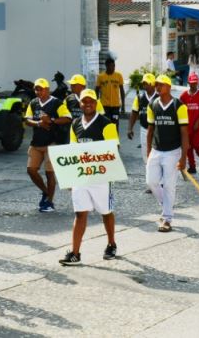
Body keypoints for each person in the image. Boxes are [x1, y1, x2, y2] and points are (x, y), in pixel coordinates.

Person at [60, 89, 118, 266]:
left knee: (106, 211)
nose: (88, 104)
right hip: (81, 176)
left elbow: (113, 150)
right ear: (80, 104)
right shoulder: (75, 124)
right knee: (80, 213)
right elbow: (73, 151)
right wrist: (70, 177)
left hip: (100, 175)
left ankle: (111, 243)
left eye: (91, 101)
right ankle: (75, 253)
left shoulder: (106, 124)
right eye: (84, 101)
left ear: (96, 102)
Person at [145, 75, 189, 233]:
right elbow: (150, 130)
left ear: (169, 87)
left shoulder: (179, 106)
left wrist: (183, 158)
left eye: (161, 84)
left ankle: (167, 218)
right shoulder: (153, 104)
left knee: (169, 185)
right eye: (156, 84)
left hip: (173, 151)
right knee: (151, 181)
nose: (157, 87)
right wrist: (148, 152)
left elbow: (185, 133)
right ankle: (166, 206)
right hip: (156, 150)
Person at [24, 78, 69, 213]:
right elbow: (27, 120)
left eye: (41, 89)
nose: (38, 92)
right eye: (36, 89)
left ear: (47, 89)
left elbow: (67, 118)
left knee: (49, 173)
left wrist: (52, 120)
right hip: (36, 142)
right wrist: (38, 123)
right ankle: (46, 192)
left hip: (52, 142)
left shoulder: (56, 103)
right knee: (31, 170)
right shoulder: (33, 103)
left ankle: (49, 202)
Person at [179, 74, 199, 174]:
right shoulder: (183, 96)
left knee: (196, 144)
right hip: (187, 125)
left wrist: (197, 122)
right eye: (192, 83)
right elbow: (181, 110)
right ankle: (192, 166)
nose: (194, 85)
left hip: (198, 125)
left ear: (198, 82)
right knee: (187, 146)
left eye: (195, 83)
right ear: (188, 83)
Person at [127, 73, 158, 157]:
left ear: (153, 84)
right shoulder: (139, 98)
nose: (144, 86)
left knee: (157, 155)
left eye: (146, 83)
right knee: (146, 155)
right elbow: (134, 113)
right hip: (144, 130)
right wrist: (130, 128)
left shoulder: (159, 97)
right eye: (143, 83)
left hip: (157, 131)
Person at [96, 58, 126, 127]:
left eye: (113, 66)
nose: (112, 68)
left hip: (115, 107)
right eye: (110, 66)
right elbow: (96, 90)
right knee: (105, 124)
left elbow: (122, 91)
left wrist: (123, 105)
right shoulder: (101, 77)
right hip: (105, 106)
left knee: (115, 124)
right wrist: (97, 104)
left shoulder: (119, 76)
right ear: (106, 66)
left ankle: (115, 137)